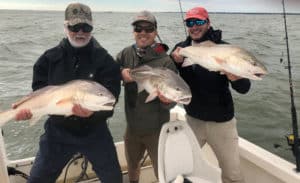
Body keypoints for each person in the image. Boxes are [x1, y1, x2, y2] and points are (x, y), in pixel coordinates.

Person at [14, 3, 122, 183]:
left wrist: (92, 114)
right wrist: (30, 110)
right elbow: (39, 92)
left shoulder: (105, 61)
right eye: (74, 27)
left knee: (114, 178)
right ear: (65, 27)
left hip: (95, 132)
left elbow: (112, 100)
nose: (80, 32)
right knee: (37, 179)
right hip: (58, 132)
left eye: (86, 27)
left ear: (92, 28)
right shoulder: (47, 59)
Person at [171, 6, 250, 183]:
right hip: (193, 120)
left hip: (222, 123)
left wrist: (234, 77)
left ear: (208, 23)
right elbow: (173, 81)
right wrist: (176, 63)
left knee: (233, 175)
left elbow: (244, 88)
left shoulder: (226, 49)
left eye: (199, 21)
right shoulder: (180, 49)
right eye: (190, 22)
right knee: (186, 167)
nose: (194, 26)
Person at [116, 10, 177, 183]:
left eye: (148, 28)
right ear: (133, 32)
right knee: (132, 166)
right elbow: (110, 72)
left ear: (156, 32)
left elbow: (173, 99)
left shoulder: (166, 62)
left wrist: (168, 102)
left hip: (156, 130)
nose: (143, 33)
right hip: (132, 128)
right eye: (138, 28)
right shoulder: (125, 54)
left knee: (162, 172)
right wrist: (121, 73)